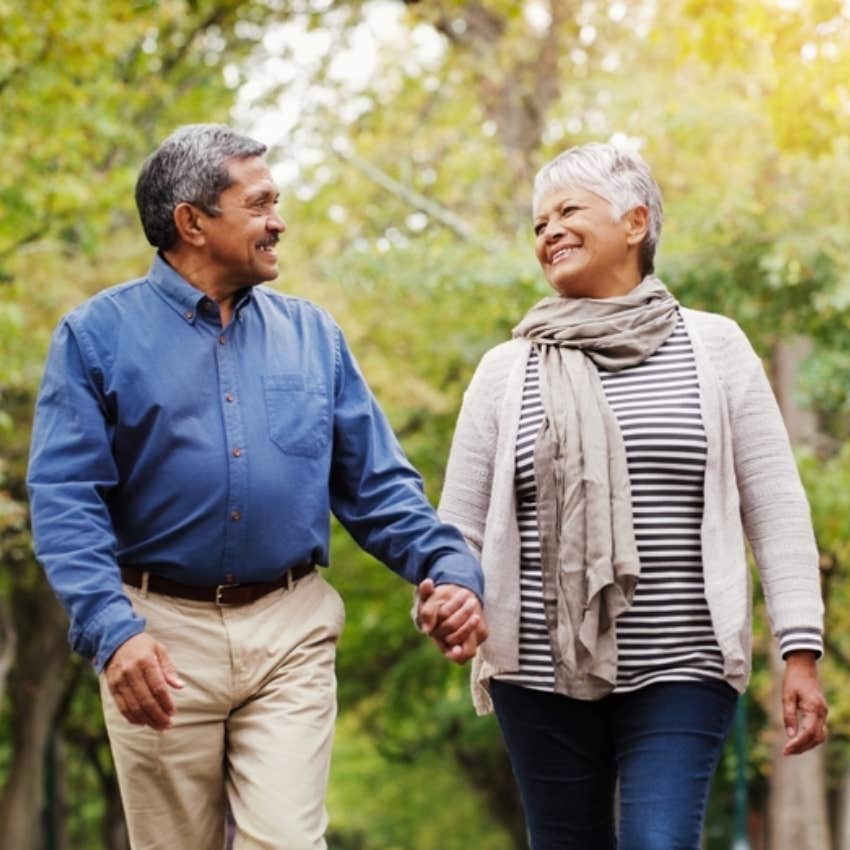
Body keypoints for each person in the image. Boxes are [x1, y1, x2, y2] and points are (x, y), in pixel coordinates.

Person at [27, 123, 486, 850]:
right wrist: (114, 634)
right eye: (260, 203)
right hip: (157, 637)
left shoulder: (314, 337)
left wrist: (449, 568)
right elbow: (66, 501)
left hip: (289, 626)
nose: (279, 221)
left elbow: (378, 487)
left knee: (287, 842)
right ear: (193, 222)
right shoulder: (94, 338)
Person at [432, 142, 827, 850]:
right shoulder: (506, 370)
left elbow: (776, 506)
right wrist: (450, 594)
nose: (548, 231)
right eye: (538, 223)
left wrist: (800, 651)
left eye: (568, 211)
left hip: (685, 664)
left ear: (636, 222)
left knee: (659, 841)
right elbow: (456, 527)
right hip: (538, 672)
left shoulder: (715, 348)